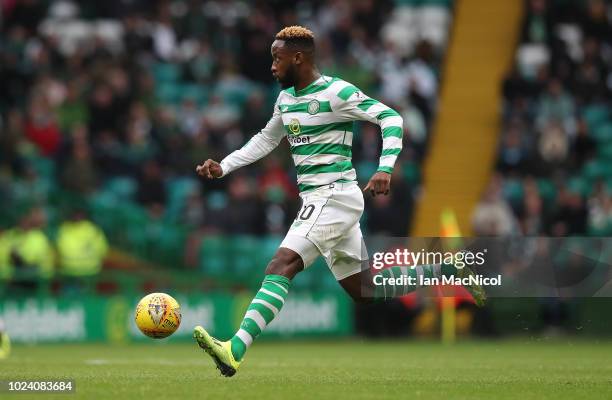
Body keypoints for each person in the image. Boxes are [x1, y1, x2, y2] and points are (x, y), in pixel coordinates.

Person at [193, 26, 485, 377]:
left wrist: (384, 168)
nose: (271, 66)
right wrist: (223, 166)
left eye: (277, 58)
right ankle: (445, 269)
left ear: (298, 58)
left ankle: (234, 348)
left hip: (334, 196)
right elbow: (265, 139)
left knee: (281, 263)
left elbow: (390, 117)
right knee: (365, 290)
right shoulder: (286, 100)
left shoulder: (336, 92)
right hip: (324, 200)